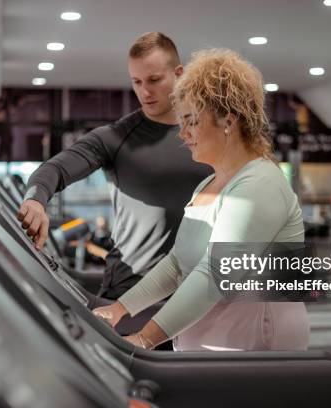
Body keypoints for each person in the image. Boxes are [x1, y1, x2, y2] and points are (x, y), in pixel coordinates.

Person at [92, 49, 310, 351]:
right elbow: (175, 264)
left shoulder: (259, 185)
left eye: (191, 121)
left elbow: (215, 273)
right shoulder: (208, 184)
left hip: (255, 346)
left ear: (228, 122)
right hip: (207, 340)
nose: (183, 134)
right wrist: (120, 309)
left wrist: (145, 338)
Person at [18, 32, 211, 299]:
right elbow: (53, 170)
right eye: (137, 82)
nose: (145, 92)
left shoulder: (210, 134)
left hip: (199, 296)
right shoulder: (117, 137)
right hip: (130, 294)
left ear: (179, 73)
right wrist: (35, 200)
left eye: (154, 80)